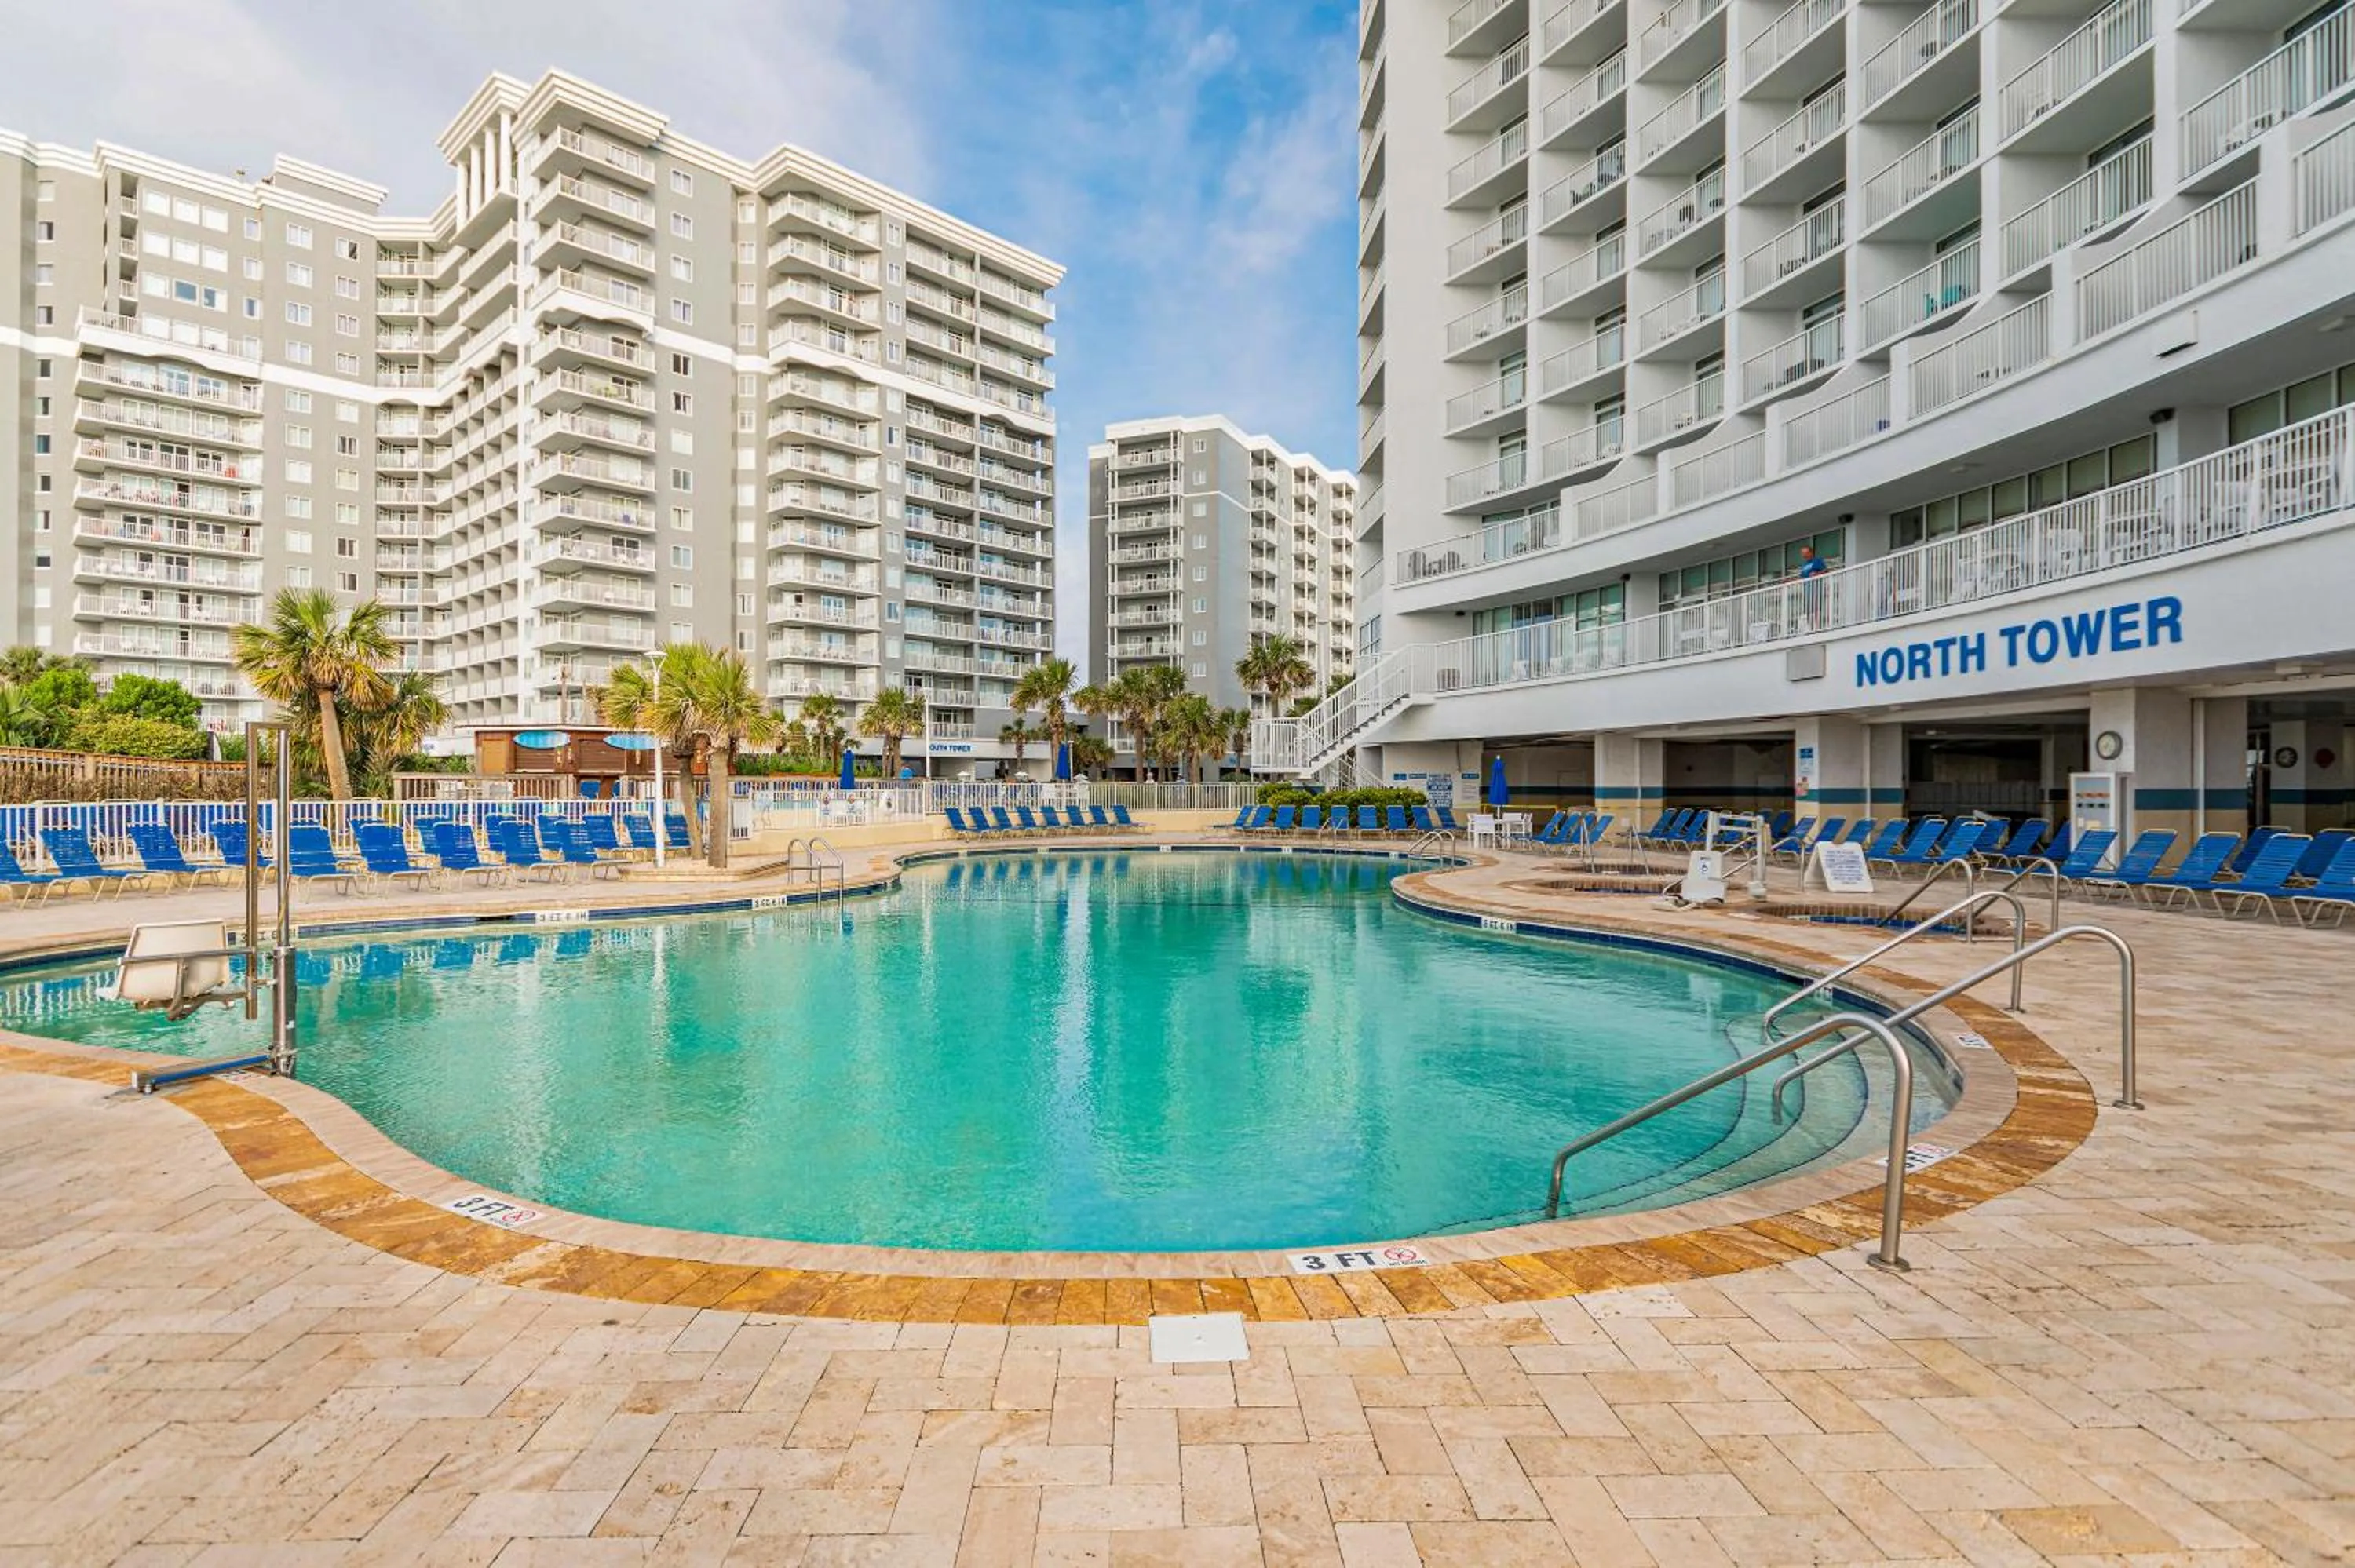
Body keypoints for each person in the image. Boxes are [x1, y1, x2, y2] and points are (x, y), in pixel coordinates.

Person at [1798, 543, 1829, 628]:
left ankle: (1817, 626)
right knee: (1808, 609)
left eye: (1806, 553)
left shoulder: (1817, 561)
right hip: (1807, 590)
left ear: (1811, 553)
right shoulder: (1804, 565)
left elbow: (1826, 571)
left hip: (1816, 588)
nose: (1804, 555)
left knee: (1816, 607)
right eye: (1803, 553)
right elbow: (1801, 577)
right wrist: (1788, 581)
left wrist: (1817, 573)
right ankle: (1810, 627)